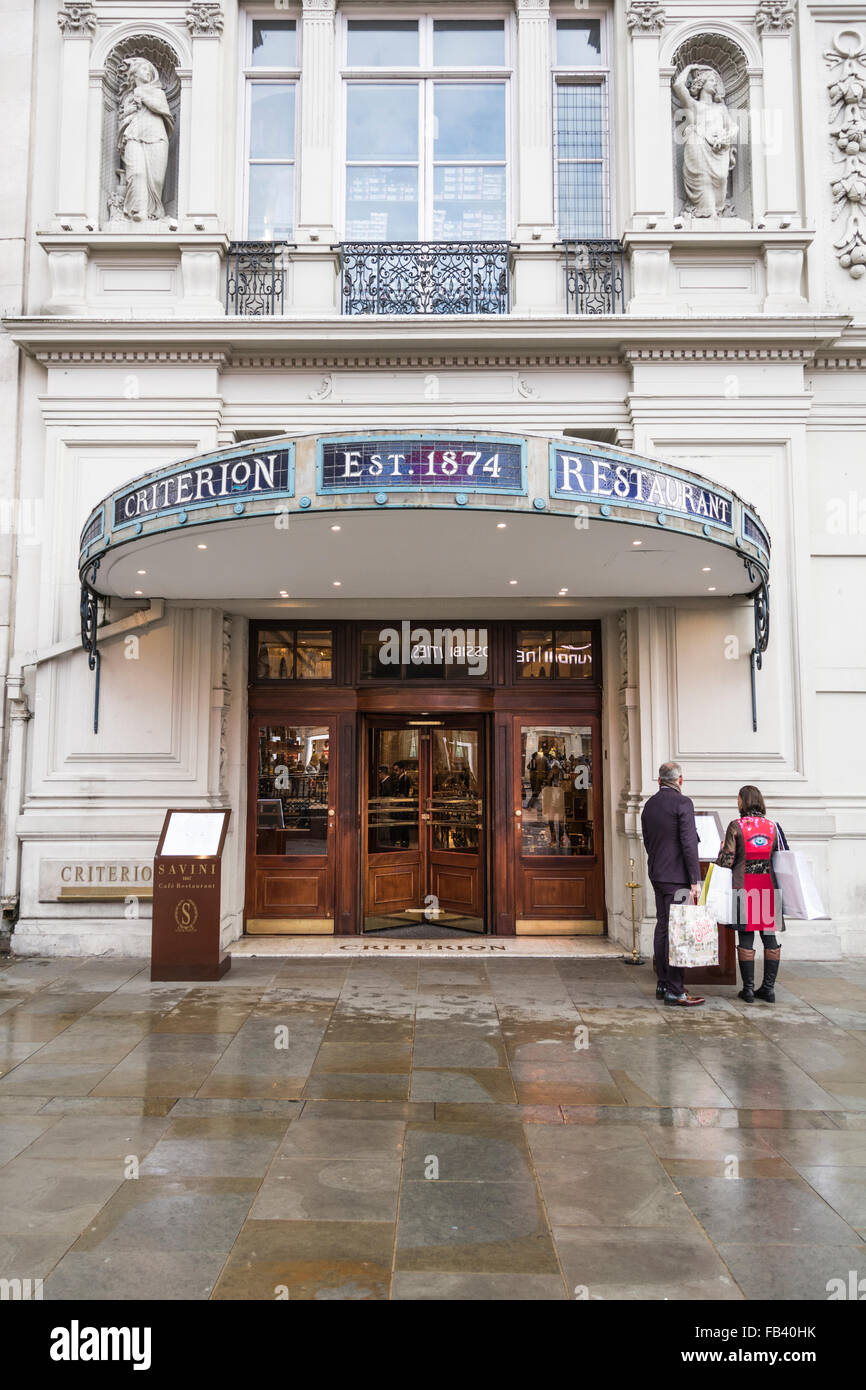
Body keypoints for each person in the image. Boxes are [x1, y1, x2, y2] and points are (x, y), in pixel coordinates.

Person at [640, 761, 705, 1007]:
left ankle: (662, 982)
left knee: (663, 927)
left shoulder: (649, 805)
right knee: (678, 932)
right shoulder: (683, 803)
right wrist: (694, 879)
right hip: (678, 876)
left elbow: (647, 840)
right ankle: (675, 989)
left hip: (657, 873)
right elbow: (689, 844)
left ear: (659, 781)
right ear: (680, 780)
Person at [717, 785, 785, 1003]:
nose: (737, 802)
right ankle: (768, 989)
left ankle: (747, 990)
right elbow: (782, 856)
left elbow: (726, 861)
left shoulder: (735, 826)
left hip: (743, 887)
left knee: (746, 935)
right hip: (768, 886)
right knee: (769, 936)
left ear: (742, 802)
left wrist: (721, 851)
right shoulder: (773, 826)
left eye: (738, 799)